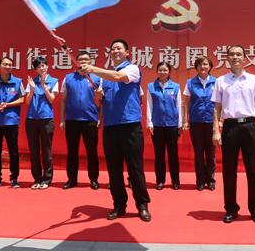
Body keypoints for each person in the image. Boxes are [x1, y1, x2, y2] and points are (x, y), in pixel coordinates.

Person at [78, 39, 151, 222]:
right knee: (114, 169)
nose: (115, 51)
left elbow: (118, 77)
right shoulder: (104, 77)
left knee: (135, 168)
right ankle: (119, 204)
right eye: (113, 49)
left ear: (127, 53)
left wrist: (92, 69)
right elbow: (99, 103)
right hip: (110, 126)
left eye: (119, 48)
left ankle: (142, 205)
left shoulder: (132, 69)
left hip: (130, 125)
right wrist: (97, 97)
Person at [211, 45, 255, 225]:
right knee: (229, 171)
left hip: (250, 126)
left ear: (244, 58)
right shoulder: (221, 81)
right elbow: (217, 107)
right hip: (230, 128)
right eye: (232, 54)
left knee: (254, 170)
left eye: (238, 54)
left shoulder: (254, 80)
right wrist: (216, 131)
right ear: (227, 58)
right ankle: (231, 209)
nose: (235, 57)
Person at [60, 51, 102, 190]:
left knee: (92, 151)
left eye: (86, 59)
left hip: (90, 120)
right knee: (72, 151)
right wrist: (62, 119)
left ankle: (94, 179)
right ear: (76, 62)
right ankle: (72, 179)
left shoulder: (96, 78)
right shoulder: (68, 78)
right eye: (81, 60)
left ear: (90, 62)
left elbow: (101, 101)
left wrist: (100, 118)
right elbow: (63, 99)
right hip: (72, 120)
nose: (83, 62)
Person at [0, 56, 25, 189]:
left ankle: (14, 179)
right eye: (5, 64)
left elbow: (22, 99)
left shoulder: (18, 82)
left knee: (13, 151)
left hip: (11, 121)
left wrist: (8, 105)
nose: (8, 67)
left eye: (10, 64)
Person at [182, 56, 217, 191]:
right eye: (200, 65)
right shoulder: (190, 83)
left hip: (211, 122)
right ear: (196, 67)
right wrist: (186, 120)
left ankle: (211, 180)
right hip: (196, 122)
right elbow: (186, 103)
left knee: (211, 152)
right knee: (198, 152)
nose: (203, 67)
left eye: (206, 64)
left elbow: (220, 103)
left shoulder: (216, 82)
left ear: (210, 67)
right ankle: (200, 180)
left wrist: (220, 120)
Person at [24, 56, 59, 190]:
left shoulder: (54, 81)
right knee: (33, 150)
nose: (41, 68)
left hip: (46, 119)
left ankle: (47, 179)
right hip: (31, 119)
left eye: (43, 65)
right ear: (36, 69)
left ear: (47, 66)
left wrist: (44, 86)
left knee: (46, 150)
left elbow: (52, 99)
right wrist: (32, 89)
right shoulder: (31, 82)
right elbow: (27, 102)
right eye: (38, 67)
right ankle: (37, 179)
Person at [146, 62, 182, 190]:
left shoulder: (175, 87)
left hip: (172, 125)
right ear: (157, 71)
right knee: (159, 154)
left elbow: (179, 105)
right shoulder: (151, 87)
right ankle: (160, 180)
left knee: (173, 154)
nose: (162, 72)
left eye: (165, 70)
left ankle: (175, 181)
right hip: (157, 125)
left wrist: (180, 123)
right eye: (160, 70)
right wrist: (149, 122)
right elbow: (149, 105)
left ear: (169, 72)